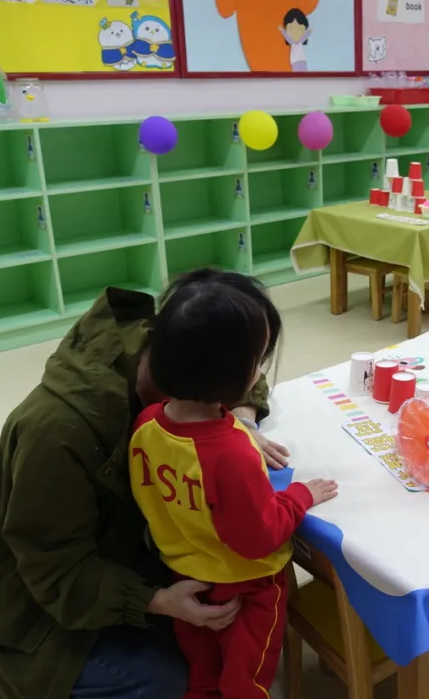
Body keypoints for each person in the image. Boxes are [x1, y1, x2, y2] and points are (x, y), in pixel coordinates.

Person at [0, 271, 293, 699]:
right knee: (165, 680)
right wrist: (155, 601)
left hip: (99, 546)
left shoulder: (177, 352)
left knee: (217, 603)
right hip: (8, 606)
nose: (256, 375)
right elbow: (54, 565)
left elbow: (242, 367)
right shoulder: (60, 431)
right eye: (252, 363)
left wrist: (242, 422)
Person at [130, 273, 337, 699]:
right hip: (249, 589)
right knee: (247, 682)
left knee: (202, 674)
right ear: (235, 374)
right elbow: (260, 536)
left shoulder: (146, 423)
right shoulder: (232, 452)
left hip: (185, 578)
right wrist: (301, 496)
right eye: (257, 360)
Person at [279, 8, 312, 72]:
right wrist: (282, 30)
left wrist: (309, 32)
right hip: (295, 61)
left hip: (302, 60)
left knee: (304, 72)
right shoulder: (292, 42)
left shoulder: (300, 41)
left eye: (299, 29)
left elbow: (305, 36)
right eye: (291, 28)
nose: (295, 33)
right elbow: (287, 36)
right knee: (296, 73)